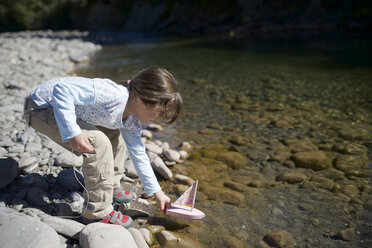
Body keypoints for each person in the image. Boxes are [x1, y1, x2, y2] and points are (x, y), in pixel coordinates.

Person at [23, 66, 183, 228]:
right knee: (99, 142)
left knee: (115, 135)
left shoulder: (131, 119)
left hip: (60, 108)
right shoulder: (112, 94)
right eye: (159, 113)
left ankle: (111, 186)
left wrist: (158, 193)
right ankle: (96, 212)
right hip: (40, 108)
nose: (158, 118)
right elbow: (62, 90)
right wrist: (72, 132)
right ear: (143, 101)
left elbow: (139, 154)